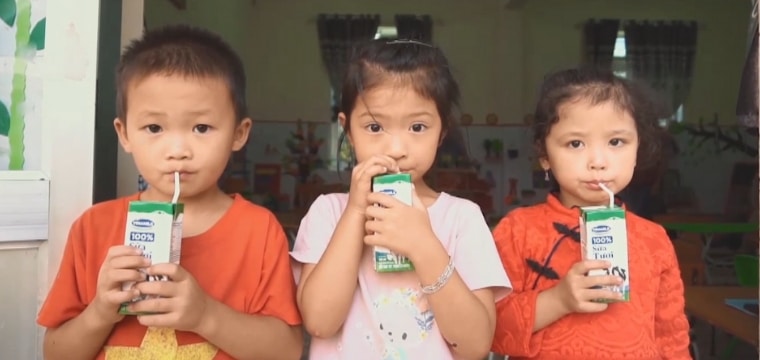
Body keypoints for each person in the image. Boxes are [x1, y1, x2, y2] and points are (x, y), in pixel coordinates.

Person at [37, 25, 302, 360]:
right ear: (125, 134)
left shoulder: (259, 231)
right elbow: (55, 353)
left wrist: (206, 315)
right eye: (154, 128)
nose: (178, 150)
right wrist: (102, 310)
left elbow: (287, 351)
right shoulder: (93, 229)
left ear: (239, 133)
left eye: (201, 128)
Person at [291, 39, 512, 359]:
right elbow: (320, 322)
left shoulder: (463, 218)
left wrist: (423, 244)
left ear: (442, 131)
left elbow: (475, 347)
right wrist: (355, 213)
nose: (396, 148)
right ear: (348, 130)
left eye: (418, 126)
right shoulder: (328, 213)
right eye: (375, 126)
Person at [491, 67, 691, 360]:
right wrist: (558, 300)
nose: (598, 161)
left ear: (638, 148)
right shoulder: (517, 231)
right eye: (575, 143)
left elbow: (671, 336)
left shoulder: (654, 239)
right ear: (544, 155)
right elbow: (489, 329)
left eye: (616, 142)